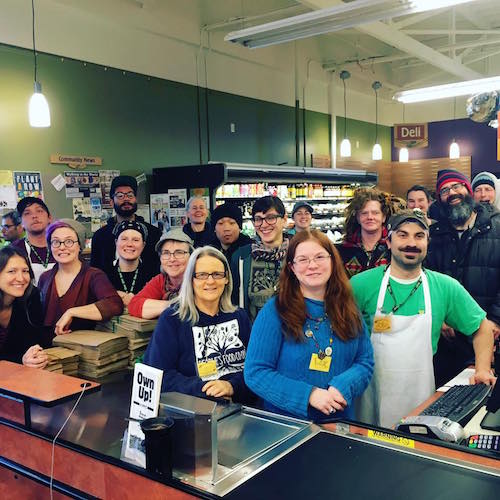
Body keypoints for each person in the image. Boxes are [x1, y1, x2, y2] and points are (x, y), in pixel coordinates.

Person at [351, 209, 495, 428]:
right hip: (370, 399)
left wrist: (482, 369)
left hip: (420, 400)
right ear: (388, 242)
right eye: (402, 235)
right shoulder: (360, 285)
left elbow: (482, 328)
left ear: (428, 243)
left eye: (419, 236)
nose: (411, 243)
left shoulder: (444, 287)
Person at [244, 229, 373, 422]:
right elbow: (256, 372)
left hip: (339, 423)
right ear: (292, 268)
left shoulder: (347, 307)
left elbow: (364, 361)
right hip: (287, 428)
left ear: (332, 261)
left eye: (320, 257)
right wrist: (309, 395)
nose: (312, 265)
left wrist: (344, 385)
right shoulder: (274, 311)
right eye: (303, 260)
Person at [144, 246, 253, 403]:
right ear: (191, 279)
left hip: (241, 409)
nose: (210, 281)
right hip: (194, 411)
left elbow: (255, 368)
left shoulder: (239, 316)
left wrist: (231, 386)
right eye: (202, 275)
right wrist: (207, 388)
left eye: (217, 274)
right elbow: (160, 375)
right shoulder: (173, 319)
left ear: (226, 278)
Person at [425, 169, 500, 385]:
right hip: (448, 344)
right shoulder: (434, 236)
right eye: (445, 190)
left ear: (468, 190)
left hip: (492, 338)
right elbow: (427, 280)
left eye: (457, 186)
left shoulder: (496, 227)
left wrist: (495, 321)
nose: (452, 193)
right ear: (440, 199)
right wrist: (440, 319)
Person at [39, 220, 123, 336]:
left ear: (80, 245)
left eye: (69, 241)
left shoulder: (94, 275)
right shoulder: (45, 277)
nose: (62, 247)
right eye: (56, 242)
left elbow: (114, 304)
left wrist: (72, 312)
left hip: (82, 347)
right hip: (48, 349)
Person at [231, 196, 289, 322]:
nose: (264, 224)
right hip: (256, 335)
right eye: (258, 219)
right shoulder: (242, 257)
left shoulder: (298, 254)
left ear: (284, 219)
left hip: (295, 335)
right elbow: (234, 301)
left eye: (271, 218)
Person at [90, 175, 161, 276]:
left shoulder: (153, 233)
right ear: (111, 202)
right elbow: (95, 274)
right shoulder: (100, 237)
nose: (126, 199)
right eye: (120, 196)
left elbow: (158, 271)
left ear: (136, 199)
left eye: (130, 195)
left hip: (148, 290)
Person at [0, 246, 49, 368]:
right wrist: (21, 360)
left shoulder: (31, 297)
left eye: (25, 271)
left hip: (19, 378)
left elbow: (36, 341)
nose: (21, 278)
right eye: (12, 271)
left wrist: (34, 356)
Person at [128, 229, 194, 319]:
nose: (172, 259)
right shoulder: (162, 280)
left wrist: (155, 307)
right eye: (166, 253)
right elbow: (134, 305)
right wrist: (173, 305)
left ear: (191, 256)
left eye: (179, 253)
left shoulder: (199, 279)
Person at [336, 188, 391, 277]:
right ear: (357, 217)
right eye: (364, 213)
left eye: (375, 213)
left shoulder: (393, 248)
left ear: (384, 217)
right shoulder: (343, 249)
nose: (370, 217)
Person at [107, 220, 158, 307]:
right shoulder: (103, 275)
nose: (129, 244)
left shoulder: (154, 275)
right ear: (116, 242)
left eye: (136, 240)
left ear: (143, 245)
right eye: (124, 239)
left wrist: (132, 300)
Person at [11, 197, 56, 285]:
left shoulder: (62, 245)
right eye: (27, 213)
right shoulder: (14, 250)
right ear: (21, 223)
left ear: (49, 218)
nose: (34, 216)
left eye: (39, 211)